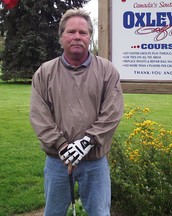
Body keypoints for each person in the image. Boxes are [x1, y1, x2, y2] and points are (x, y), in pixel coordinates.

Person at [29, 8, 124, 216]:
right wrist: (62, 145)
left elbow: (112, 112)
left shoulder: (107, 71)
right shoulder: (45, 73)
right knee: (53, 212)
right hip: (57, 162)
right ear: (61, 37)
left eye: (83, 33)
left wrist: (87, 141)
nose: (77, 37)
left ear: (90, 37)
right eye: (71, 32)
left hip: (95, 163)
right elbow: (39, 114)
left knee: (100, 212)